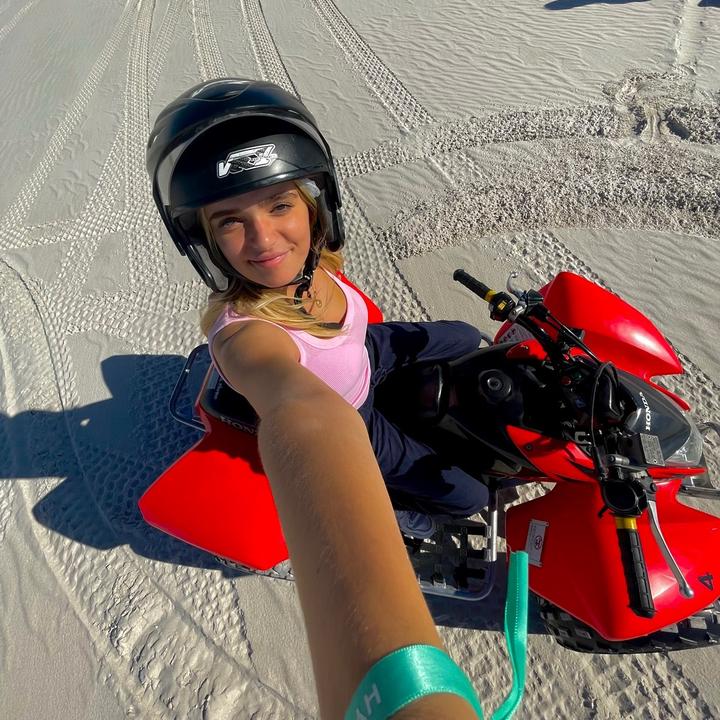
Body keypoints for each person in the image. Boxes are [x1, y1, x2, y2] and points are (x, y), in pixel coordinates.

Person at [146, 78, 488, 718]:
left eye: (279, 205)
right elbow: (298, 406)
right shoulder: (246, 337)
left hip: (364, 352)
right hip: (349, 411)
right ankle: (404, 518)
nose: (263, 240)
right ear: (206, 243)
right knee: (468, 497)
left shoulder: (318, 266)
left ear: (315, 206)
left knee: (469, 337)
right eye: (230, 221)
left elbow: (352, 333)